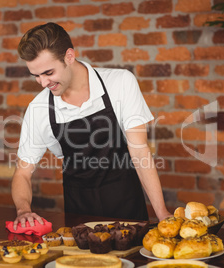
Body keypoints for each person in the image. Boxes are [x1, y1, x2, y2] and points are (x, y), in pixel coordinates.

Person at [11, 22, 171, 230]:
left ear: (69, 56)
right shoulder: (39, 108)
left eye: (48, 73)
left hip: (128, 211)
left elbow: (140, 152)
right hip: (80, 221)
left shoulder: (120, 83)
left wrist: (162, 213)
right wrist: (23, 210)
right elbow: (22, 173)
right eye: (36, 76)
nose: (42, 83)